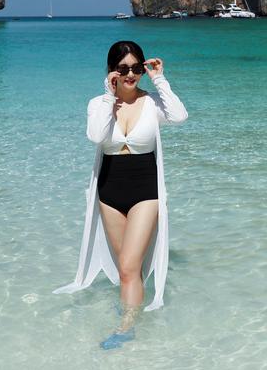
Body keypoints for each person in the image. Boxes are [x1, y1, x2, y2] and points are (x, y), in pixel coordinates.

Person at [53, 40, 189, 350]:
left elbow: (180, 116)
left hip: (145, 190)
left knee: (128, 265)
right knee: (127, 268)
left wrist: (159, 78)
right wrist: (108, 95)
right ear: (112, 71)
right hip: (109, 189)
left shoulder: (153, 104)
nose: (130, 75)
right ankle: (131, 307)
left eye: (136, 69)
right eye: (123, 69)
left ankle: (127, 328)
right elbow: (96, 136)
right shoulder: (98, 104)